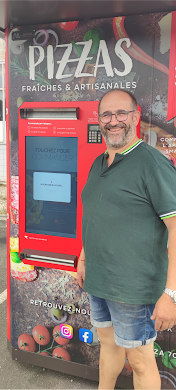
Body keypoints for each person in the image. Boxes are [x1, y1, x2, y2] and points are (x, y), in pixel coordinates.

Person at [77, 89, 176, 390]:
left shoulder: (153, 164)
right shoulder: (99, 163)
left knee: (141, 361)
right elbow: (96, 214)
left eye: (121, 113)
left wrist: (171, 294)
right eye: (107, 114)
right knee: (108, 345)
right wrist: (83, 258)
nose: (114, 121)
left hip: (134, 287)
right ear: (99, 120)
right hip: (99, 278)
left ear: (135, 117)